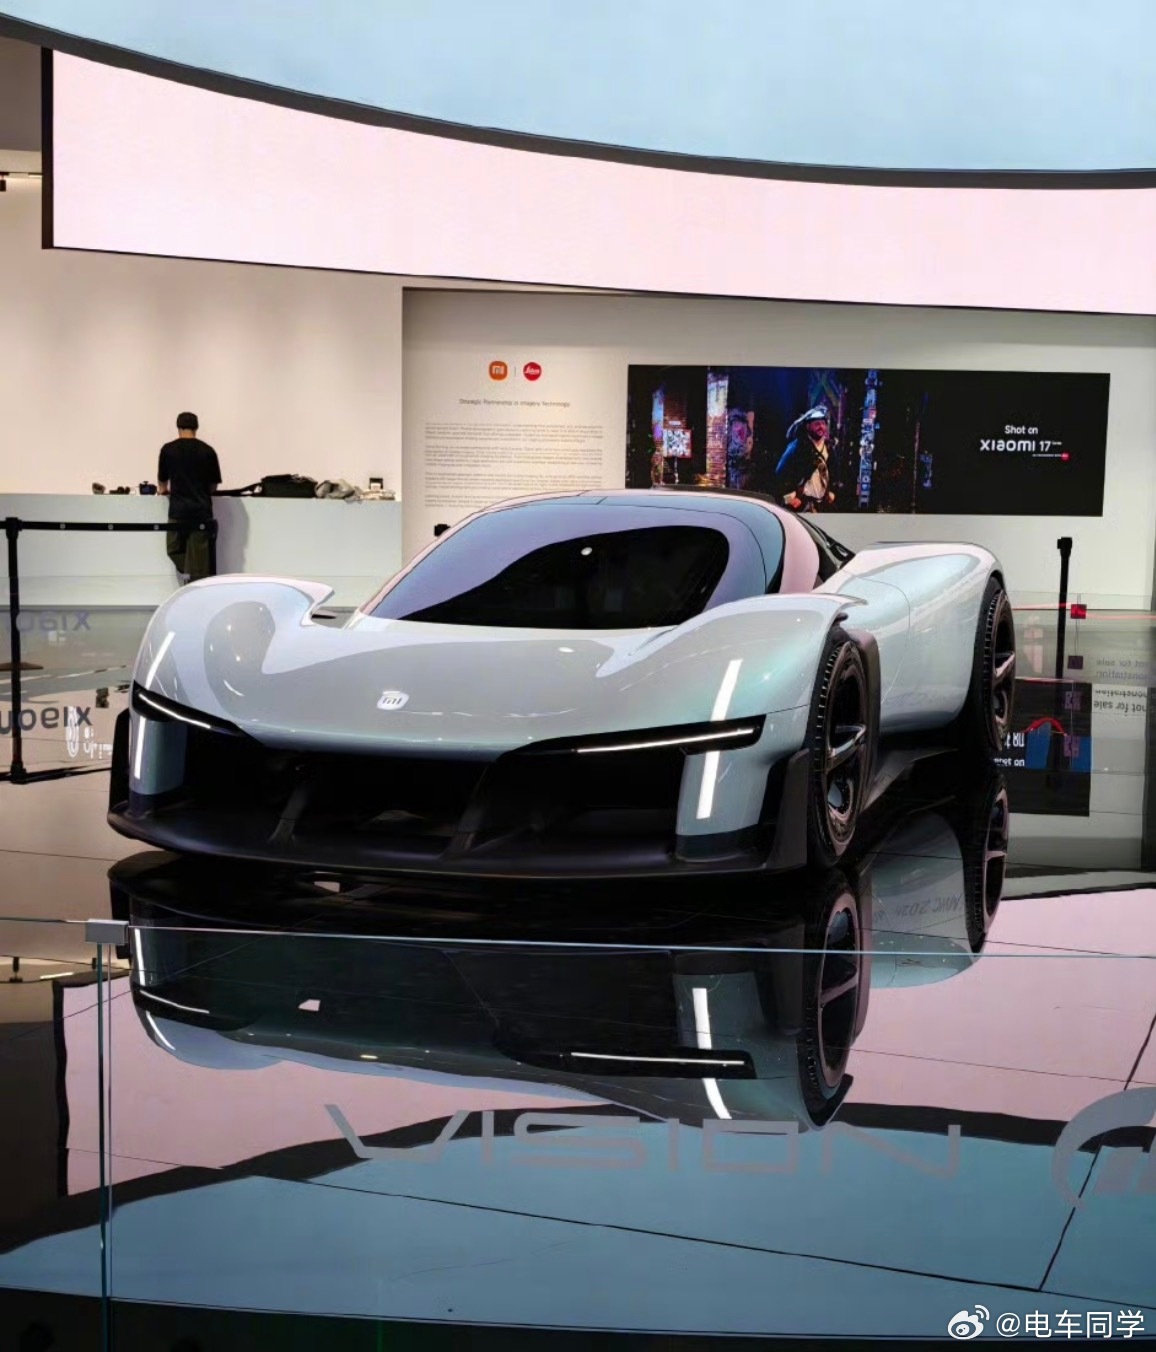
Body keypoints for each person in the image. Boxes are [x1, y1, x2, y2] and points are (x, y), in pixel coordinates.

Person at [158, 412, 221, 582]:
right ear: (196, 427)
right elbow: (213, 486)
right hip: (201, 512)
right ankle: (195, 582)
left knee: (173, 549)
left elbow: (162, 484)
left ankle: (190, 579)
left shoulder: (168, 450)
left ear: (178, 427)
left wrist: (163, 491)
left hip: (177, 511)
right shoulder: (208, 451)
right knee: (199, 563)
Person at [775, 405, 836, 513]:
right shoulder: (797, 447)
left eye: (823, 424)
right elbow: (780, 474)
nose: (821, 427)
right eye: (817, 424)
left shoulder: (828, 447)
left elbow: (834, 471)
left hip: (822, 504)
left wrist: (832, 493)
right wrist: (789, 498)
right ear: (808, 426)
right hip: (802, 503)